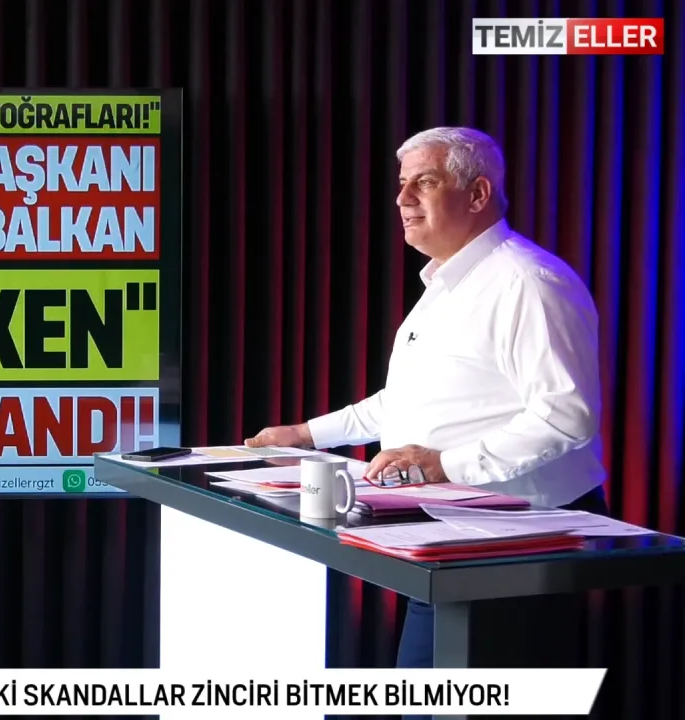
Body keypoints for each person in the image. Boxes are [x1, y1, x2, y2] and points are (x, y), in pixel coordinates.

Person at [245, 127, 607, 678]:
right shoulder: (447, 285)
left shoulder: (528, 282)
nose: (402, 198)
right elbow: (408, 402)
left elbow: (566, 415)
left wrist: (441, 465)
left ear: (477, 194)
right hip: (454, 532)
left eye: (425, 182)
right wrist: (304, 435)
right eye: (402, 183)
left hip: (519, 540)